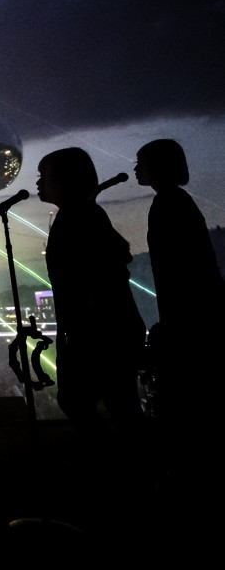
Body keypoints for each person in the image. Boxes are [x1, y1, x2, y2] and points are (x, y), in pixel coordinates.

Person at [36, 147, 146, 435]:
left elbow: (93, 276)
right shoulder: (84, 214)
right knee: (115, 404)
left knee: (92, 402)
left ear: (60, 179)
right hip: (104, 331)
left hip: (99, 333)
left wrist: (82, 332)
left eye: (42, 176)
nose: (37, 183)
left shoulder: (77, 216)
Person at [134, 139, 224, 487]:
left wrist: (171, 326)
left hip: (191, 323)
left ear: (158, 165)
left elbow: (177, 274)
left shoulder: (166, 204)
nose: (135, 167)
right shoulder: (177, 202)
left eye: (141, 161)